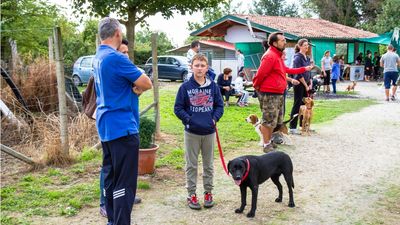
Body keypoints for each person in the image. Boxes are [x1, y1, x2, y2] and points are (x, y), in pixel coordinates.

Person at [94, 17, 152, 225]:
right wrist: (136, 87)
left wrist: (131, 88)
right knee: (124, 183)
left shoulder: (97, 57)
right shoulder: (116, 58)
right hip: (123, 128)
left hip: (106, 126)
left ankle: (112, 220)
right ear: (118, 33)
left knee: (111, 179)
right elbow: (146, 82)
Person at [98, 39, 142, 218]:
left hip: (115, 126)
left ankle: (112, 215)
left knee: (114, 177)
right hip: (121, 129)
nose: (125, 56)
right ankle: (109, 208)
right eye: (121, 52)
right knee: (120, 180)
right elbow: (147, 83)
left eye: (126, 53)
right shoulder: (116, 66)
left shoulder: (105, 62)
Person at [174, 54, 224, 210]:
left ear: (207, 67)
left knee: (208, 165)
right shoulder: (185, 87)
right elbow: (178, 108)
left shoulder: (213, 87)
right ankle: (192, 194)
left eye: (203, 65)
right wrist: (189, 120)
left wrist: (214, 119)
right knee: (192, 165)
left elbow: (219, 106)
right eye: (197, 65)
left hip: (209, 132)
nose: (200, 68)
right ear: (191, 67)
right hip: (192, 133)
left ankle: (208, 192)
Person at [253, 32, 312, 153]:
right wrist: (257, 87)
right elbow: (260, 74)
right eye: (282, 40)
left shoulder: (277, 55)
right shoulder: (270, 56)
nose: (285, 42)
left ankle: (269, 141)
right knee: (268, 120)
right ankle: (266, 144)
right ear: (274, 43)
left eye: (284, 40)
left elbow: (286, 70)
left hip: (278, 93)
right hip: (269, 93)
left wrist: (304, 69)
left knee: (274, 120)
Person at [288, 39, 313, 134]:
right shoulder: (297, 57)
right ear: (299, 46)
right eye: (304, 45)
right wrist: (306, 85)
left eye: (307, 45)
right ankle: (292, 127)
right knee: (297, 104)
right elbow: (298, 74)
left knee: (304, 105)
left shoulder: (307, 57)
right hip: (299, 84)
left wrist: (310, 82)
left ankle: (302, 125)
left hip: (306, 84)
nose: (306, 47)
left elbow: (309, 71)